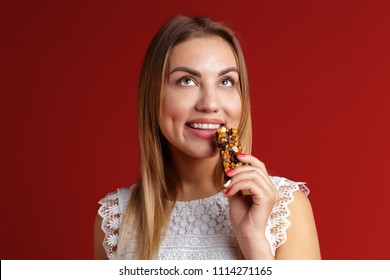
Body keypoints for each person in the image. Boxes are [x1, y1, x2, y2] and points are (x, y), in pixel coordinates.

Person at [94, 15, 321, 260]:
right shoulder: (115, 219)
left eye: (226, 81)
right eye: (187, 81)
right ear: (153, 97)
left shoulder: (285, 210)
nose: (210, 104)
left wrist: (253, 240)